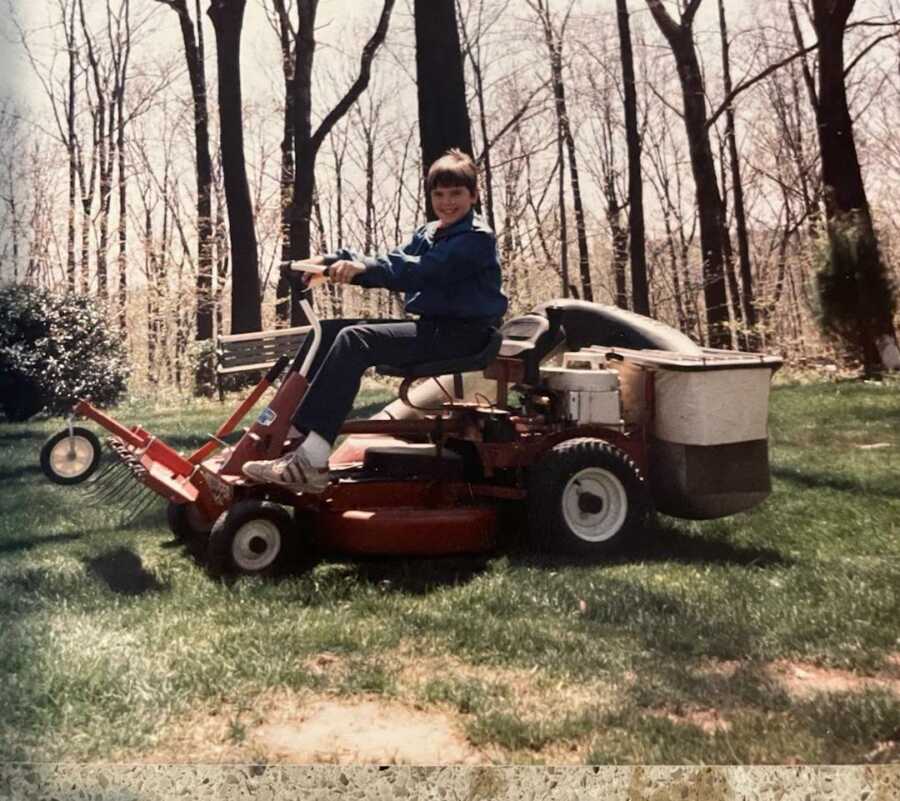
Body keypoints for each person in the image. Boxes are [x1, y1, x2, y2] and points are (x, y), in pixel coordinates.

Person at [242, 148, 508, 493]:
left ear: (473, 195)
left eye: (456, 193)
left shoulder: (476, 239)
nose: (447, 202)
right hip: (436, 328)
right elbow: (390, 259)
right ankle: (289, 434)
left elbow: (420, 271)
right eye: (439, 194)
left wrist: (364, 271)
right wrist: (331, 260)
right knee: (328, 333)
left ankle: (313, 461)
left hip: (465, 335)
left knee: (356, 339)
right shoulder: (430, 232)